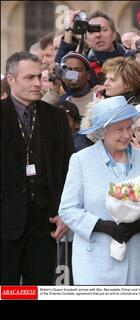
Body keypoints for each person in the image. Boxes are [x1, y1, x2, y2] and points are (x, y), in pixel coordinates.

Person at [58, 96, 140, 285]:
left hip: (135, 260)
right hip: (94, 263)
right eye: (119, 129)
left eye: (129, 127)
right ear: (102, 131)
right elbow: (68, 210)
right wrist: (102, 226)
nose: (126, 135)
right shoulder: (81, 160)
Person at [1, 51, 74, 285]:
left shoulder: (56, 117)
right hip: (4, 223)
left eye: (39, 77)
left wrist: (65, 212)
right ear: (11, 80)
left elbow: (67, 168)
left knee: (38, 289)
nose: (36, 83)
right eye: (29, 77)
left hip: (45, 224)